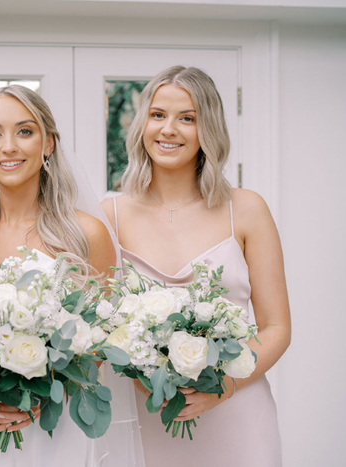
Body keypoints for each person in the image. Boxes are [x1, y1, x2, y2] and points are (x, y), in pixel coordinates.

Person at [0, 85, 141, 467]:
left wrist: (43, 397)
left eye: (24, 131)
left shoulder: (87, 233)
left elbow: (101, 344)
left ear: (49, 144)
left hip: (55, 430)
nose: (8, 146)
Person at [102, 65, 290, 466]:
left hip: (237, 416)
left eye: (187, 118)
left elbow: (277, 327)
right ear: (142, 125)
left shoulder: (247, 209)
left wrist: (221, 386)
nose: (169, 129)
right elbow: (98, 329)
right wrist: (145, 381)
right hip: (146, 419)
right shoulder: (108, 217)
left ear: (209, 130)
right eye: (158, 115)